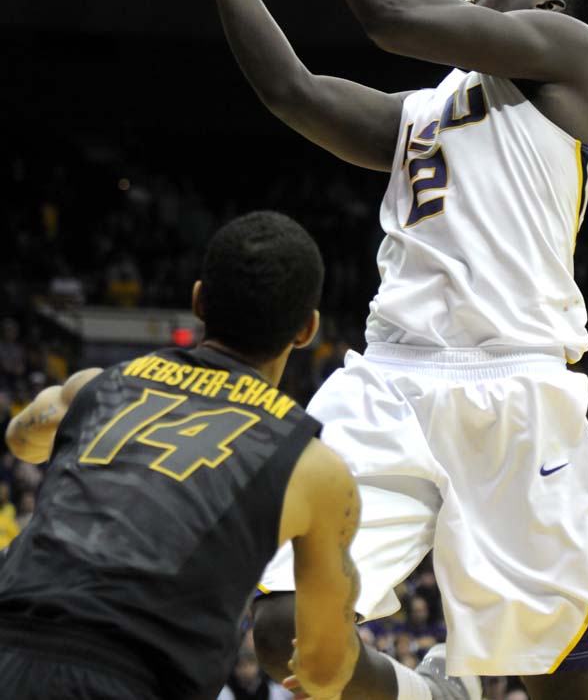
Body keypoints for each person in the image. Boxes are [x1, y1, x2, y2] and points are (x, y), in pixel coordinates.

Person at [150, 0, 588, 700]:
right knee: (285, 634)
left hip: (514, 387)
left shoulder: (576, 66)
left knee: (566, 693)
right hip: (387, 378)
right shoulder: (421, 112)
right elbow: (293, 93)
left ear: (549, 16)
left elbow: (391, 13)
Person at [0, 210, 362, 700]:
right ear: (307, 330)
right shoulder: (314, 467)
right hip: (130, 678)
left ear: (197, 301)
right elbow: (324, 670)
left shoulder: (100, 386)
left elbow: (22, 439)